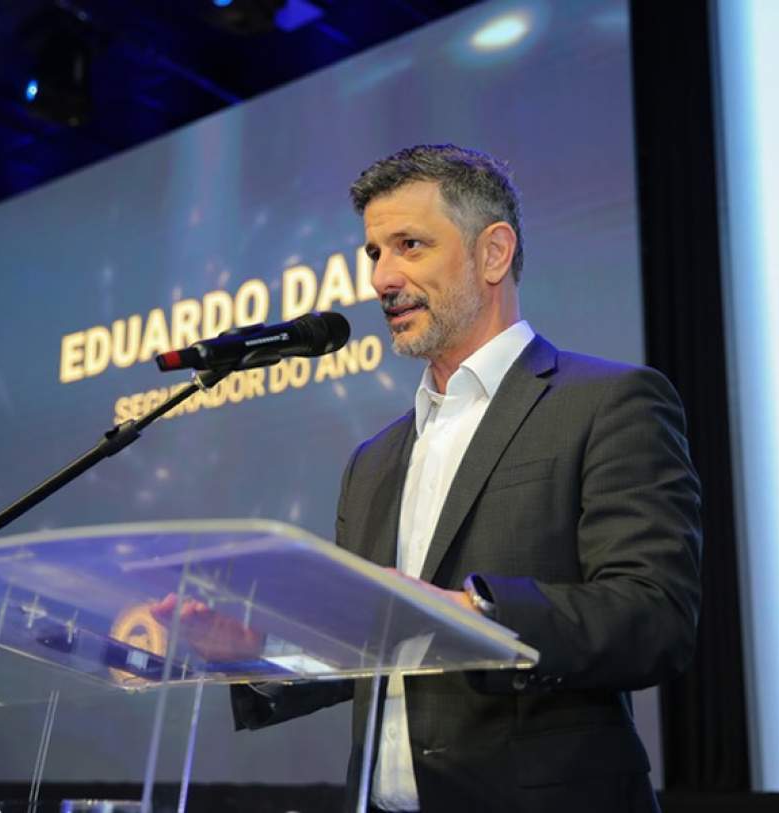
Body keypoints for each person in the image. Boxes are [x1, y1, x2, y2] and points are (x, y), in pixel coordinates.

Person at [229, 144, 703, 812]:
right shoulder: (372, 460)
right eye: (374, 253)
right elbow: (363, 646)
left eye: (410, 246)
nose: (382, 278)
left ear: (494, 253)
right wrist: (253, 649)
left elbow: (653, 616)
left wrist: (471, 615)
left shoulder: (608, 403)